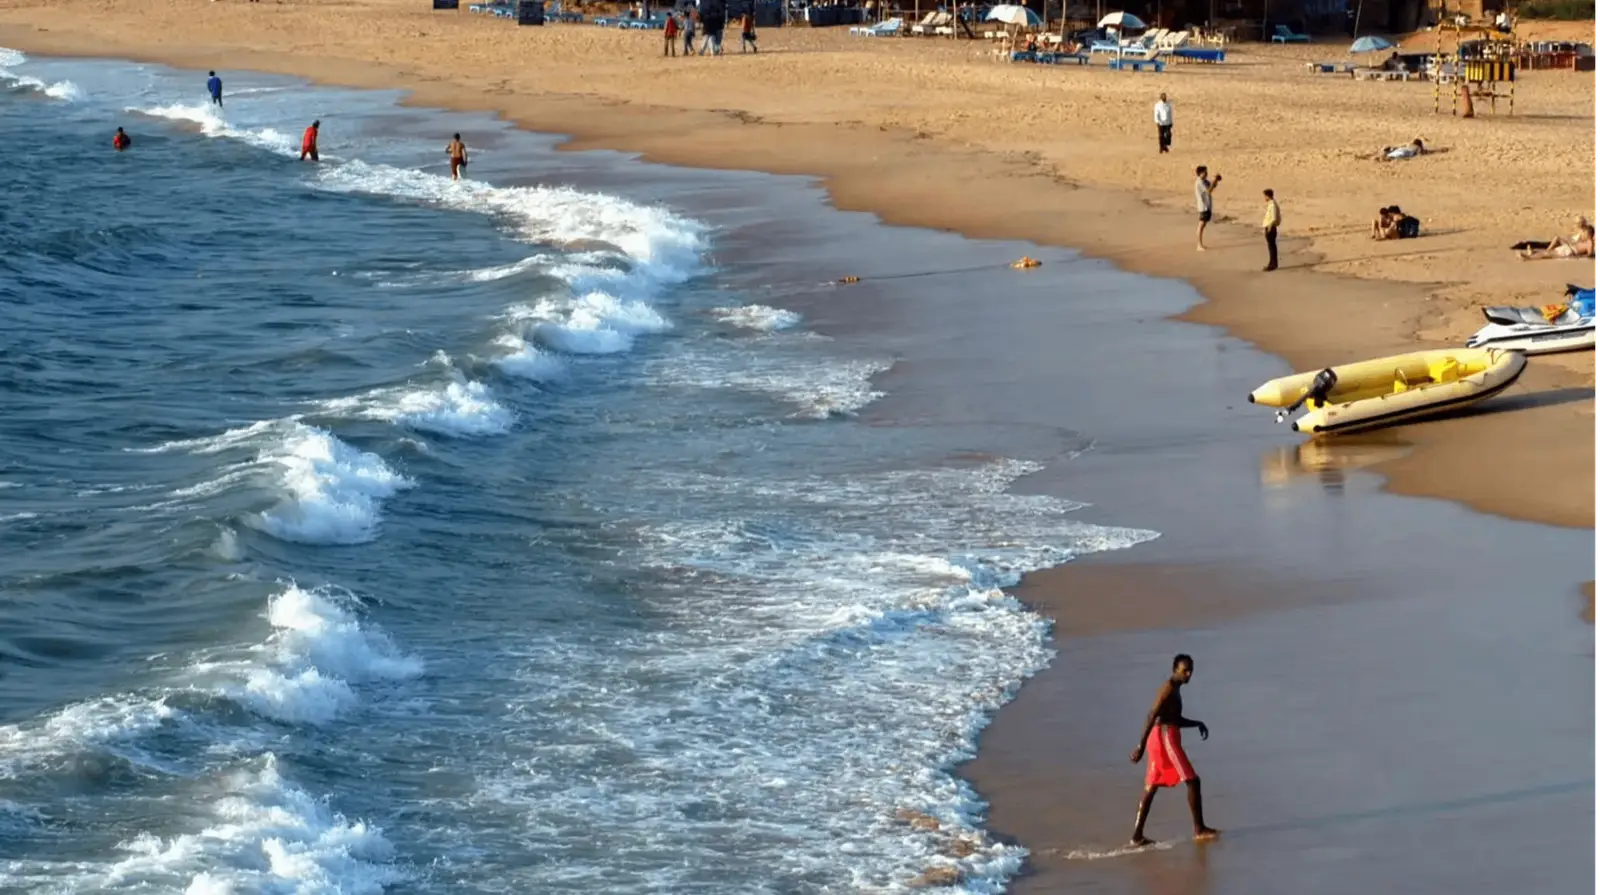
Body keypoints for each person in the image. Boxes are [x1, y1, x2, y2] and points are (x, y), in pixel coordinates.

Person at [1128, 654, 1219, 847]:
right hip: (1164, 737)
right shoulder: (1168, 689)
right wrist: (1140, 746)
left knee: (1151, 786)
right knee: (1192, 780)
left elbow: (1175, 719)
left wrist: (1197, 723)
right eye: (1185, 670)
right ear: (1174, 669)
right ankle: (1199, 829)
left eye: (1191, 670)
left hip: (1163, 735)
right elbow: (1152, 715)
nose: (1189, 674)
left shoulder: (1176, 690)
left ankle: (1137, 836)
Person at [1521, 216, 1596, 260]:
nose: (1583, 233)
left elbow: (1590, 255)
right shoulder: (1584, 240)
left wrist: (1577, 257)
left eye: (1585, 232)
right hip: (1569, 248)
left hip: (1570, 252)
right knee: (1548, 253)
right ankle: (1532, 254)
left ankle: (1529, 257)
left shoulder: (1590, 242)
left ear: (1589, 233)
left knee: (1548, 255)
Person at [1194, 165, 1221, 251]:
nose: (1206, 174)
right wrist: (1214, 181)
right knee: (1201, 225)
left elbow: (1212, 187)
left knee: (1203, 225)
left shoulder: (1204, 181)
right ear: (1200, 173)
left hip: (1207, 205)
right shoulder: (1199, 182)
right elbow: (1209, 190)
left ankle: (1200, 244)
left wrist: (1216, 180)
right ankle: (1199, 245)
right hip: (1203, 206)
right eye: (1205, 172)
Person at [1262, 188, 1281, 271]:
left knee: (1271, 247)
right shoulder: (1272, 204)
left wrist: (1269, 228)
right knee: (1272, 246)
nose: (1264, 198)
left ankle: (1273, 264)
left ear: (1267, 196)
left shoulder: (1272, 205)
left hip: (1271, 227)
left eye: (1265, 196)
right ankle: (1272, 263)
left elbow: (1273, 218)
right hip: (1271, 227)